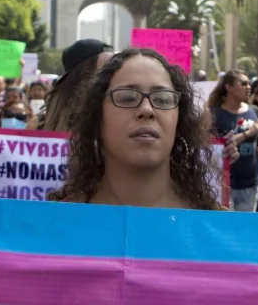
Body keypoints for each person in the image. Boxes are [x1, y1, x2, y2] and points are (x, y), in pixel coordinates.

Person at [45, 48, 222, 209]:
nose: (147, 110)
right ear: (97, 117)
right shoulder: (56, 223)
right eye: (127, 98)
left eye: (162, 99)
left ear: (179, 120)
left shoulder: (216, 225)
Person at [207, 70, 258, 212]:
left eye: (249, 84)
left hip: (250, 183)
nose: (248, 87)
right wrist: (247, 133)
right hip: (224, 184)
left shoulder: (254, 111)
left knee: (246, 225)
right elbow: (212, 146)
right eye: (243, 84)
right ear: (228, 87)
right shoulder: (214, 113)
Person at [30, 39, 114, 132]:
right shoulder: (39, 124)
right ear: (81, 75)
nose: (112, 77)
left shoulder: (117, 115)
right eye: (103, 71)